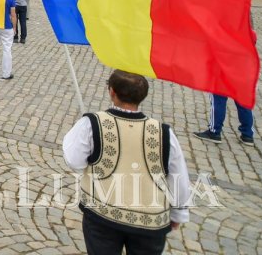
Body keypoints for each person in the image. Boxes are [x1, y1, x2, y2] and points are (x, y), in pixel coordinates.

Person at [63, 70, 191, 254]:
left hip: (102, 215)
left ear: (112, 92)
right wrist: (179, 213)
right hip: (150, 222)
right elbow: (179, 177)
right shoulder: (164, 133)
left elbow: (75, 161)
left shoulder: (92, 123)